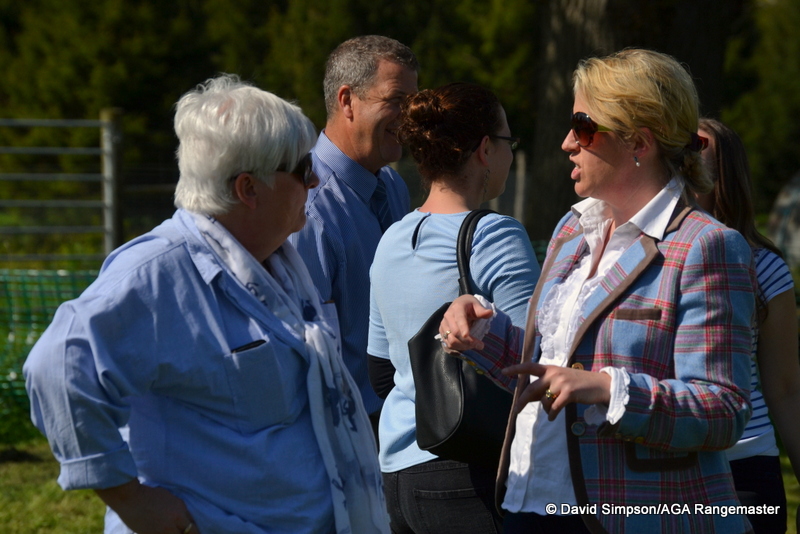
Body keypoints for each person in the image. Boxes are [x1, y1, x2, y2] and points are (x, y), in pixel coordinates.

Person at [24, 74, 388, 534]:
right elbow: (57, 367)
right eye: (301, 169)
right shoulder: (161, 271)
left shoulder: (278, 262)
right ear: (248, 189)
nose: (315, 181)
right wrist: (130, 500)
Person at [440, 49, 757, 534]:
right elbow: (549, 371)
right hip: (530, 502)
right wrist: (481, 328)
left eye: (583, 127)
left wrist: (610, 389)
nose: (567, 143)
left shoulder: (705, 245)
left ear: (639, 141)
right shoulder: (572, 230)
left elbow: (723, 411)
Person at [367, 82, 541, 533]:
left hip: (396, 475)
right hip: (469, 467)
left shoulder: (391, 238)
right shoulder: (495, 235)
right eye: (507, 142)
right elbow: (533, 363)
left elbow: (381, 371)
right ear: (485, 149)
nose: (507, 153)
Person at [289, 35, 419, 435]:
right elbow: (302, 349)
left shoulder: (392, 187)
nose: (410, 117)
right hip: (343, 429)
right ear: (347, 100)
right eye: (397, 101)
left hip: (395, 422)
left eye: (414, 104)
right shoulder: (308, 206)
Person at [698, 117, 800, 534]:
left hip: (746, 471)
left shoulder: (763, 267)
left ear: (723, 176)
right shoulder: (634, 256)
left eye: (694, 150)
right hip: (652, 477)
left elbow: (785, 388)